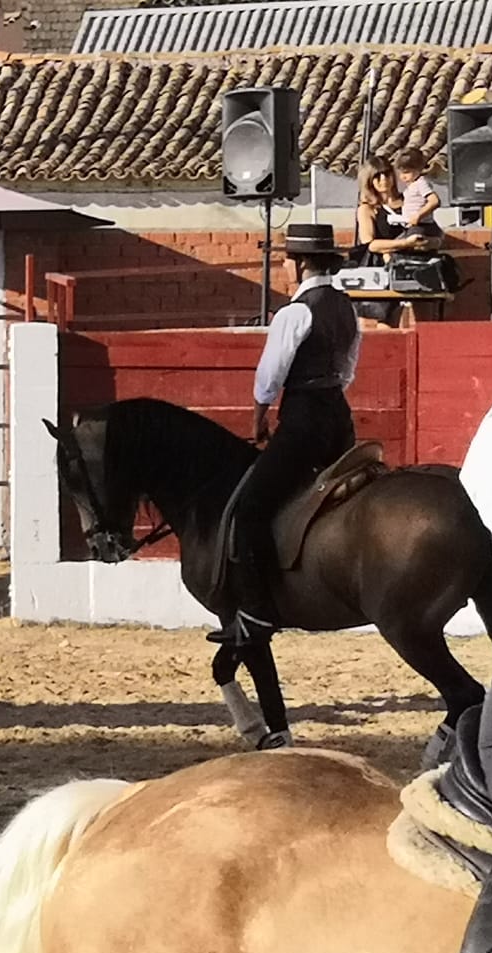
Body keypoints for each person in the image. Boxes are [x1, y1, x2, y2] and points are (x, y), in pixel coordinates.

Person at [215, 223, 359, 648]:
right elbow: (348, 368)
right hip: (340, 419)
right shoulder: (346, 307)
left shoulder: (294, 313)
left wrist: (259, 416)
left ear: (297, 264)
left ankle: (258, 612)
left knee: (252, 508)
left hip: (304, 422)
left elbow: (270, 375)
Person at [353, 156, 416, 328]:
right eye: (377, 176)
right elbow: (369, 243)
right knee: (386, 320)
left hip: (413, 264)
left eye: (386, 174)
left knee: (418, 320)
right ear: (369, 181)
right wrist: (404, 244)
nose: (383, 180)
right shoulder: (368, 209)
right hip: (383, 269)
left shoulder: (410, 202)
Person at [389, 148, 443, 245]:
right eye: (400, 173)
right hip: (411, 224)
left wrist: (418, 215)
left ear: (418, 169)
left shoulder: (421, 183)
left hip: (422, 225)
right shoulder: (411, 186)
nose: (402, 176)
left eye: (406, 172)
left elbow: (434, 201)